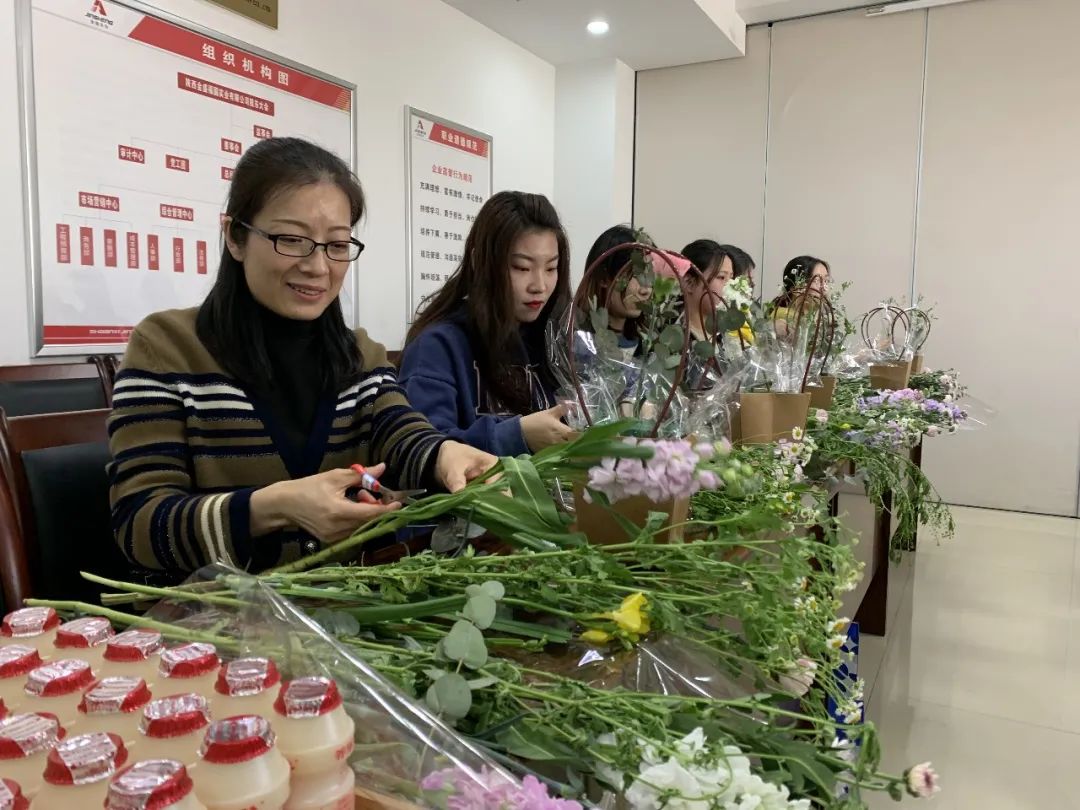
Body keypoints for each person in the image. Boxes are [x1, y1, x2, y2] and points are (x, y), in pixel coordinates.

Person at [108, 137, 495, 578]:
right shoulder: (167, 347)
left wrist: (446, 455)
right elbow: (139, 526)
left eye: (336, 244)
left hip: (341, 614)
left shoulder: (358, 355)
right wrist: (273, 508)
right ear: (235, 237)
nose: (318, 266)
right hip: (210, 626)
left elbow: (402, 435)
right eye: (292, 240)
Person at [398, 191, 574, 456]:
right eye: (522, 268)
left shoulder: (553, 342)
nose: (540, 286)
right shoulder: (439, 346)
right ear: (481, 262)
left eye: (551, 268)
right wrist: (517, 435)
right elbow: (421, 451)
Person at [679, 239, 737, 341]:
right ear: (689, 283)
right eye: (721, 277)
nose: (730, 286)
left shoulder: (730, 337)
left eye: (731, 278)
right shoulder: (676, 340)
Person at [772, 255, 831, 338]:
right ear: (796, 287)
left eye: (826, 281)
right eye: (817, 280)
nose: (824, 287)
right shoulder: (781, 321)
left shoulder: (823, 320)